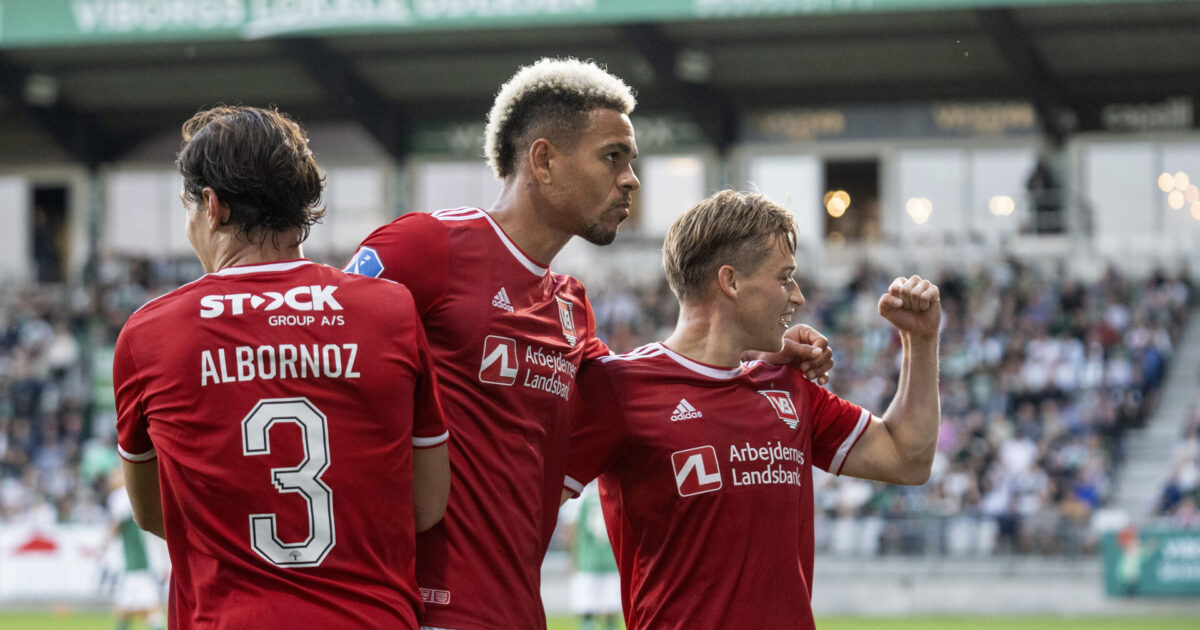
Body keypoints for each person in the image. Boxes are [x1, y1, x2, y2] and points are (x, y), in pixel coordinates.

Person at [345, 57, 834, 630]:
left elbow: (645, 387)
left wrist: (754, 346)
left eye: (631, 161)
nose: (631, 180)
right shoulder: (428, 246)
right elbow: (322, 355)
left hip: (514, 611)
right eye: (612, 157)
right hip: (420, 606)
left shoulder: (570, 305)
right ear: (544, 160)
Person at [114, 105, 450, 630]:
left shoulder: (150, 333)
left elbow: (155, 513)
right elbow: (427, 504)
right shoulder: (390, 310)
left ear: (212, 207)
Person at [562, 190, 942, 629]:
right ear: (731, 281)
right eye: (785, 278)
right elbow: (525, 508)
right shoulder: (619, 388)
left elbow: (907, 458)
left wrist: (920, 340)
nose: (797, 297)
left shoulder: (788, 386)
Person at [103, 467, 165, 630]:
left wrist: (103, 547)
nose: (111, 481)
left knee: (148, 608)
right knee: (125, 609)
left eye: (114, 476)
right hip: (139, 561)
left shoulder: (119, 496)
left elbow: (114, 526)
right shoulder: (138, 492)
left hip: (134, 562)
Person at [560, 481, 622, 630]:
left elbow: (570, 530)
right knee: (611, 614)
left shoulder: (578, 496)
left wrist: (571, 558)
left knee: (586, 613)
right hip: (612, 561)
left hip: (586, 561)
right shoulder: (614, 491)